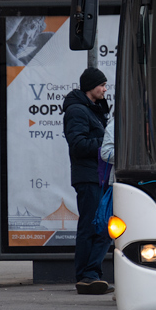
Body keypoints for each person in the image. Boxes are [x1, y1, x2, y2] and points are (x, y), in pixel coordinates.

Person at [63, 67, 114, 294]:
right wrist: (107, 145)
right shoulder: (77, 111)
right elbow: (79, 145)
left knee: (102, 225)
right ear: (91, 87)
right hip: (89, 177)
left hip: (99, 176)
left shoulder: (93, 110)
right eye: (102, 85)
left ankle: (91, 273)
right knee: (92, 225)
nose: (105, 89)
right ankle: (87, 274)